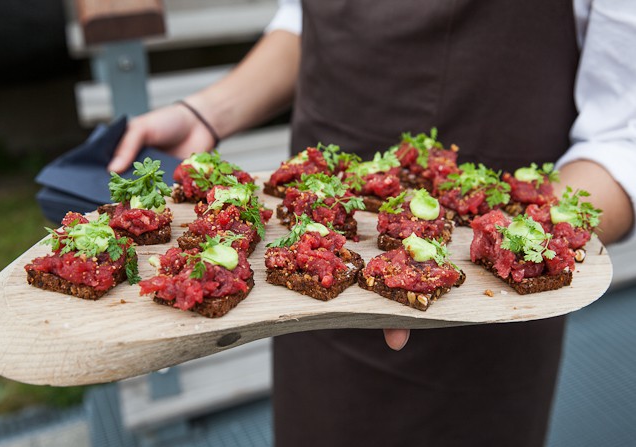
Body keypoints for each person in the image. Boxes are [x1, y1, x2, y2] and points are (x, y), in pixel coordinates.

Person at [108, 1, 636, 445]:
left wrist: (516, 246)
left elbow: (622, 138)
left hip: (483, 317)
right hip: (309, 261)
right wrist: (209, 112)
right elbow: (308, 16)